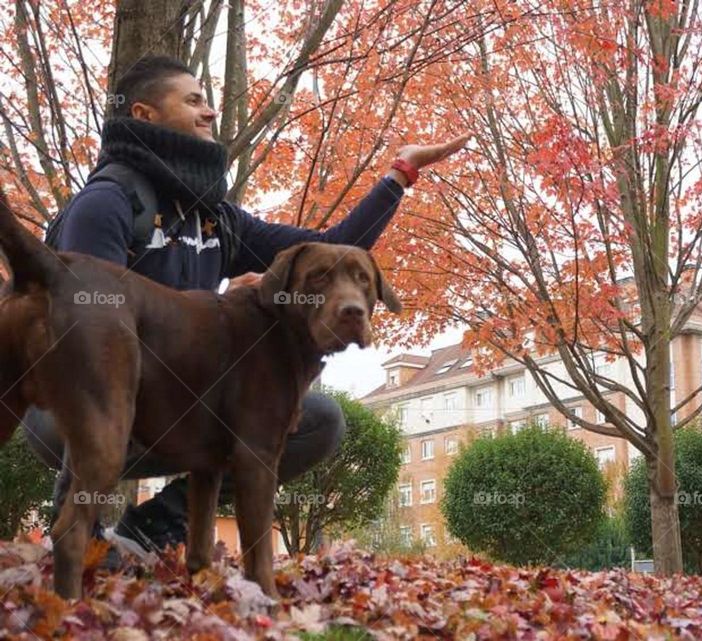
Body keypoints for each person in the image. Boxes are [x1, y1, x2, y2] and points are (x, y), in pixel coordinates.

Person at [21, 55, 468, 558]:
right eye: (192, 100)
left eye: (207, 99)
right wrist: (216, 308)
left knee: (316, 419)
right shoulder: (107, 203)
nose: (210, 112)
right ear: (144, 116)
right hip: (72, 410)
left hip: (177, 407)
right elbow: (85, 338)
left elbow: (332, 250)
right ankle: (78, 537)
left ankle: (151, 530)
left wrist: (399, 174)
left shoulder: (219, 220)